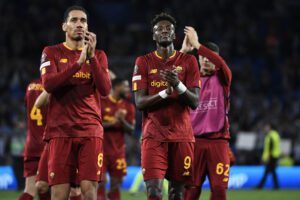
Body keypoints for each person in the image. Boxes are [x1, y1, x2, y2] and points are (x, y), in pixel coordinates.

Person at [39, 5, 111, 200]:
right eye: (74, 20)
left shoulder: (100, 55)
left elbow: (105, 90)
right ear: (64, 26)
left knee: (89, 192)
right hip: (60, 132)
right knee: (59, 194)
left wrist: (92, 58)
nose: (80, 24)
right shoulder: (51, 52)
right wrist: (78, 63)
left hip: (90, 131)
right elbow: (48, 84)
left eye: (83, 21)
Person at [132, 13, 201, 200]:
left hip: (182, 137)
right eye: (159, 29)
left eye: (168, 29)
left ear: (174, 35)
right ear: (153, 36)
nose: (164, 31)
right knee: (154, 192)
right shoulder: (143, 62)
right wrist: (165, 92)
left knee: (177, 194)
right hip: (154, 137)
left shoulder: (189, 62)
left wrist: (178, 85)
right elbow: (139, 102)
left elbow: (195, 101)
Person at [181, 26, 232, 200]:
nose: (205, 61)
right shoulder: (190, 79)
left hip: (218, 141)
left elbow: (222, 64)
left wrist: (197, 44)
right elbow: (169, 75)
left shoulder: (223, 78)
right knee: (191, 191)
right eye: (202, 57)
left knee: (219, 191)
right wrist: (183, 51)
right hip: (194, 142)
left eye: (209, 57)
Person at [34, 90, 81, 200]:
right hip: (55, 138)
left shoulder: (81, 82)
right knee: (41, 185)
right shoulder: (55, 83)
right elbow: (38, 103)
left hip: (76, 137)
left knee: (74, 189)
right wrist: (52, 84)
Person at [97, 78, 135, 200]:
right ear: (117, 87)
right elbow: (95, 125)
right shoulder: (102, 102)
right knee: (101, 181)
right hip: (100, 150)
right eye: (125, 86)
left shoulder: (128, 106)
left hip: (118, 151)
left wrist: (122, 120)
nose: (128, 90)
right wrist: (114, 122)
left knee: (116, 183)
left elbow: (131, 130)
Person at [19, 79, 48, 200]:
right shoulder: (52, 87)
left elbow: (28, 105)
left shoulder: (30, 86)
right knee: (72, 187)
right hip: (47, 145)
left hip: (31, 144)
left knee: (30, 189)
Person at [256, 122, 281, 189]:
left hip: (271, 156)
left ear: (270, 127)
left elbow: (270, 147)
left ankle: (260, 186)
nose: (265, 128)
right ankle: (276, 186)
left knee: (268, 172)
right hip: (275, 156)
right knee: (272, 172)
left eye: (266, 127)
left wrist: (268, 157)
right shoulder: (276, 134)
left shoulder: (270, 135)